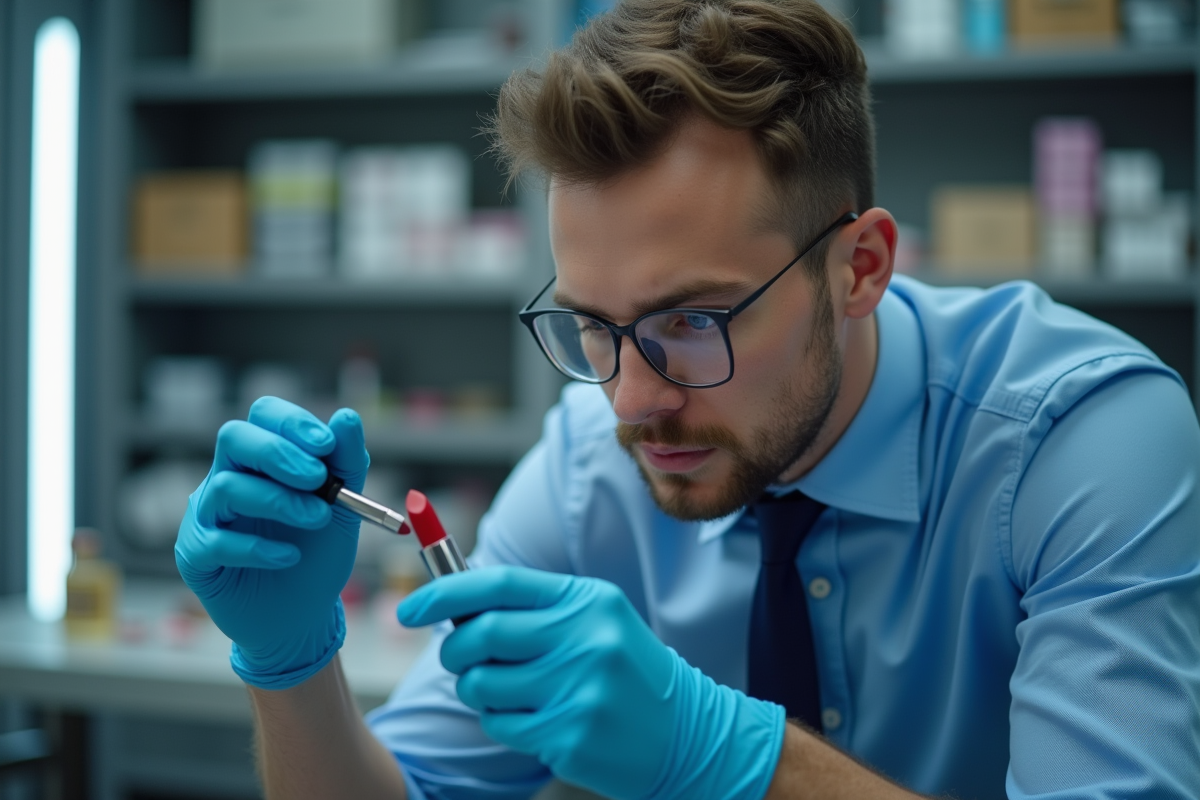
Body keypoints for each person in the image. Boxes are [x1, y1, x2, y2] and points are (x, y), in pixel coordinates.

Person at [174, 1, 1200, 798]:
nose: (631, 398)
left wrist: (732, 754)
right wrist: (290, 662)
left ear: (860, 268)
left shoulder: (1081, 440)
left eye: (694, 320)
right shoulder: (588, 464)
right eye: (593, 324)